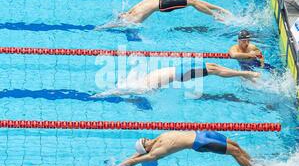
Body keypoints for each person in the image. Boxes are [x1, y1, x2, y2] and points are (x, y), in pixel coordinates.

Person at [118, 129, 257, 166]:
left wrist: (136, 153)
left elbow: (138, 153)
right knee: (235, 152)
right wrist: (121, 165)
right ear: (146, 148)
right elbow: (138, 159)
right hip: (201, 142)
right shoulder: (157, 151)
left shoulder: (158, 139)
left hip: (203, 134)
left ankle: (255, 164)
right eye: (144, 141)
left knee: (236, 146)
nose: (145, 138)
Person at [92, 61, 260, 97]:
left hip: (179, 68)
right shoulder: (141, 87)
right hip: (180, 74)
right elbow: (117, 91)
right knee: (213, 70)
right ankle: (247, 75)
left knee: (213, 66)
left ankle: (245, 75)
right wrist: (100, 95)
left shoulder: (135, 81)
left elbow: (130, 74)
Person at [95, 0, 233, 29]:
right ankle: (216, 15)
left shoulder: (130, 11)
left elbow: (122, 17)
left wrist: (120, 16)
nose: (121, 14)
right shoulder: (134, 18)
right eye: (121, 16)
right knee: (192, 2)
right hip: (164, 5)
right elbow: (126, 24)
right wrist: (104, 27)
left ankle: (220, 9)